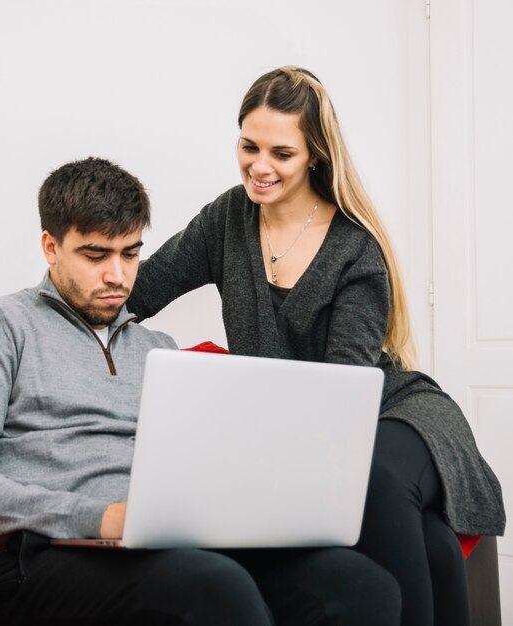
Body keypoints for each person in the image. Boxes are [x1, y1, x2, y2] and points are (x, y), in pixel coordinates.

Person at [0, 156, 401, 626]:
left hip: (169, 549)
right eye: (96, 255)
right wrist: (100, 519)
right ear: (50, 246)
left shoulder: (158, 349)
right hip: (43, 560)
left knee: (358, 584)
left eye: (130, 253)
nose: (118, 276)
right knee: (212, 586)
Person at [126, 67, 506, 626]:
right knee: (430, 543)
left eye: (281, 153)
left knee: (374, 484)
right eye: (248, 146)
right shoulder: (228, 219)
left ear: (315, 157)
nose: (259, 166)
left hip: (395, 409)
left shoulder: (354, 247)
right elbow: (140, 290)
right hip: (328, 418)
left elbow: (341, 398)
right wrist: (54, 301)